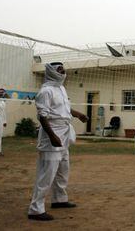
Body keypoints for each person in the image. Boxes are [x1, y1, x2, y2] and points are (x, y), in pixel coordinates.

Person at [28, 62, 88, 221]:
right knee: (46, 173)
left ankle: (59, 199)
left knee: (63, 170)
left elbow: (66, 109)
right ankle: (35, 209)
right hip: (52, 135)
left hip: (64, 134)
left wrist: (78, 115)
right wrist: (52, 136)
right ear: (52, 72)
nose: (63, 72)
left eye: (63, 69)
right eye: (59, 69)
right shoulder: (45, 91)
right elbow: (42, 115)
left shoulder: (61, 88)